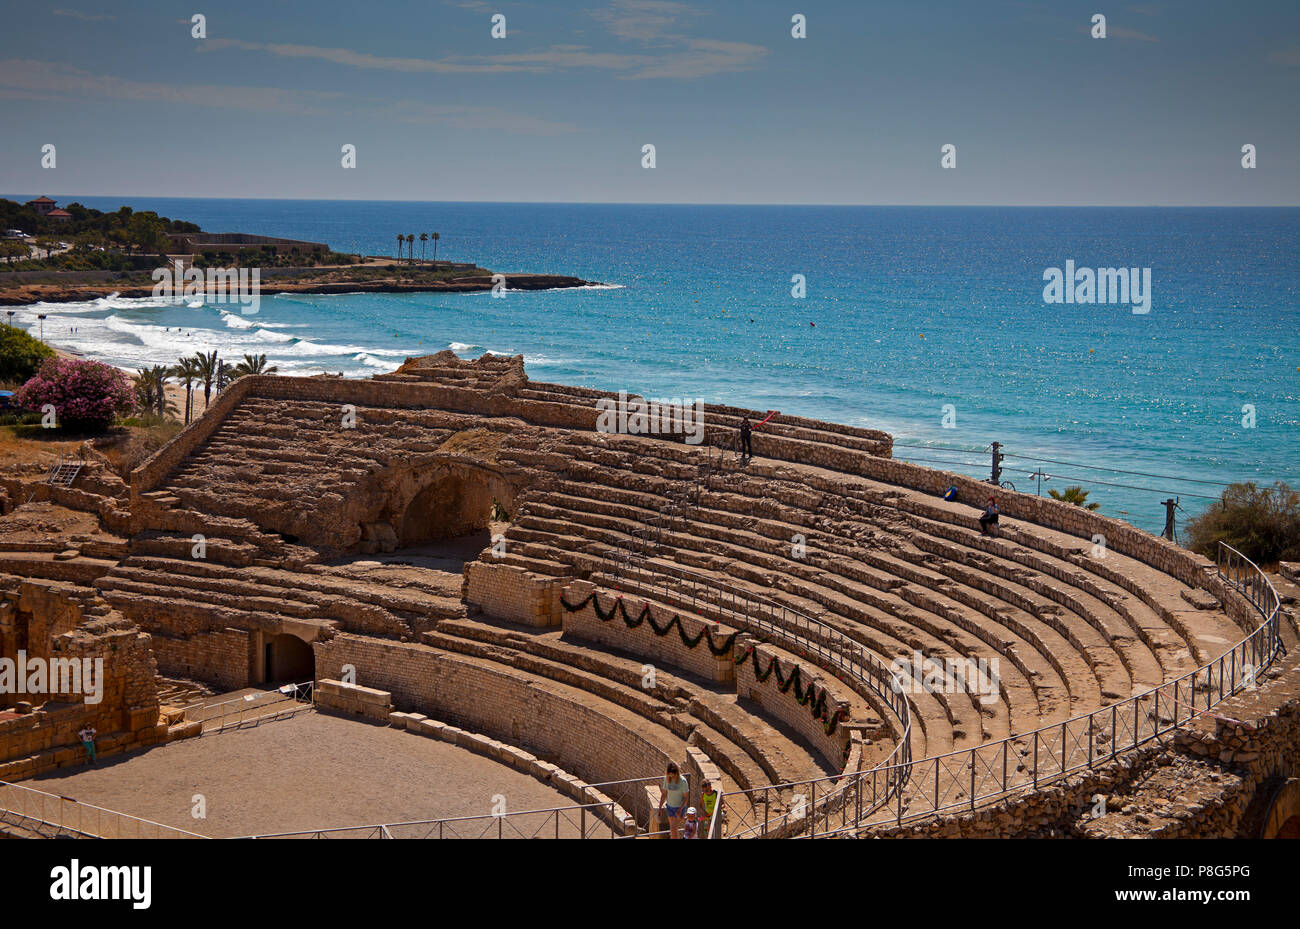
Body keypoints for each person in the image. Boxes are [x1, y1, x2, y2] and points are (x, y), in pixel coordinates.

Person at [659, 762, 690, 838]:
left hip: (679, 808)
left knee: (673, 828)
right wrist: (660, 807)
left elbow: (686, 797)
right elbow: (664, 794)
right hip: (669, 807)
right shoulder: (667, 779)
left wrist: (680, 809)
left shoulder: (683, 781)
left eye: (673, 774)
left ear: (677, 773)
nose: (671, 776)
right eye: (670, 774)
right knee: (673, 829)